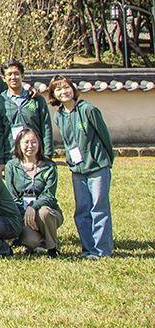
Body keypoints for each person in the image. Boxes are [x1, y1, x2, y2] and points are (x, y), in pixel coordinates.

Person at [50, 75, 114, 259]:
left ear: (73, 88)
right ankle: (88, 249)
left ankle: (101, 251)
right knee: (82, 209)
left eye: (66, 87)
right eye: (58, 89)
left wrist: (106, 159)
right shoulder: (59, 115)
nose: (64, 92)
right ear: (54, 94)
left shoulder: (88, 110)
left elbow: (104, 136)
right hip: (77, 169)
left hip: (97, 166)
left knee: (99, 208)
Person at [3, 128, 63, 257]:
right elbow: (12, 196)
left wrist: (33, 208)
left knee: (44, 212)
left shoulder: (49, 166)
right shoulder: (12, 166)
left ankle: (52, 248)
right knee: (30, 242)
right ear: (19, 144)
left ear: (39, 144)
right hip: (24, 215)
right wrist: (26, 214)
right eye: (26, 142)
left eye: (34, 142)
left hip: (47, 213)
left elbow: (49, 195)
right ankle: (36, 244)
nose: (30, 146)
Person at [1, 60, 54, 158]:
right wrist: (0, 160)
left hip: (36, 154)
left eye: (17, 74)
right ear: (4, 78)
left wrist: (47, 154)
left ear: (23, 76)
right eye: (9, 74)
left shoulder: (36, 99)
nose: (13, 77)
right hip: (11, 157)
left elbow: (46, 127)